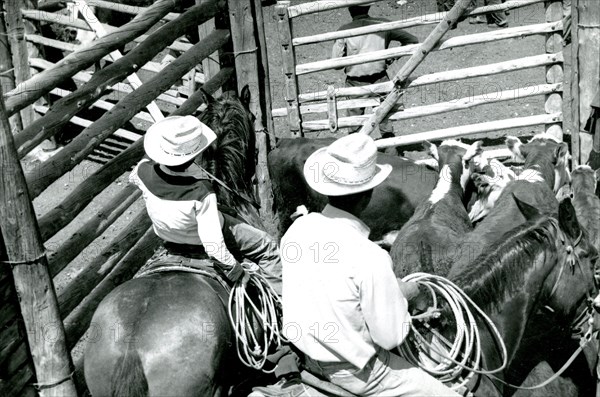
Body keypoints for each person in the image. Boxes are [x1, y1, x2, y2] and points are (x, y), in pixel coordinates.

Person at [280, 134, 459, 396]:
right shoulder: (369, 256)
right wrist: (406, 294)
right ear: (368, 196)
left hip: (305, 353)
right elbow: (391, 337)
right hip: (357, 371)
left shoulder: (296, 231)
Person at [129, 115, 282, 294]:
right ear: (196, 153)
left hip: (170, 236)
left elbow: (135, 177)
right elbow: (213, 245)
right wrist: (236, 271)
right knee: (267, 246)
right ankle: (282, 305)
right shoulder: (202, 192)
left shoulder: (142, 171)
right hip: (198, 242)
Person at [331, 5, 419, 138]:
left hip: (356, 82)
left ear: (349, 10)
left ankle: (357, 151)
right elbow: (412, 40)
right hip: (380, 77)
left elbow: (336, 64)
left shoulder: (344, 31)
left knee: (355, 124)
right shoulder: (382, 24)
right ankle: (391, 151)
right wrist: (392, 56)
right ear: (368, 8)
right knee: (385, 118)